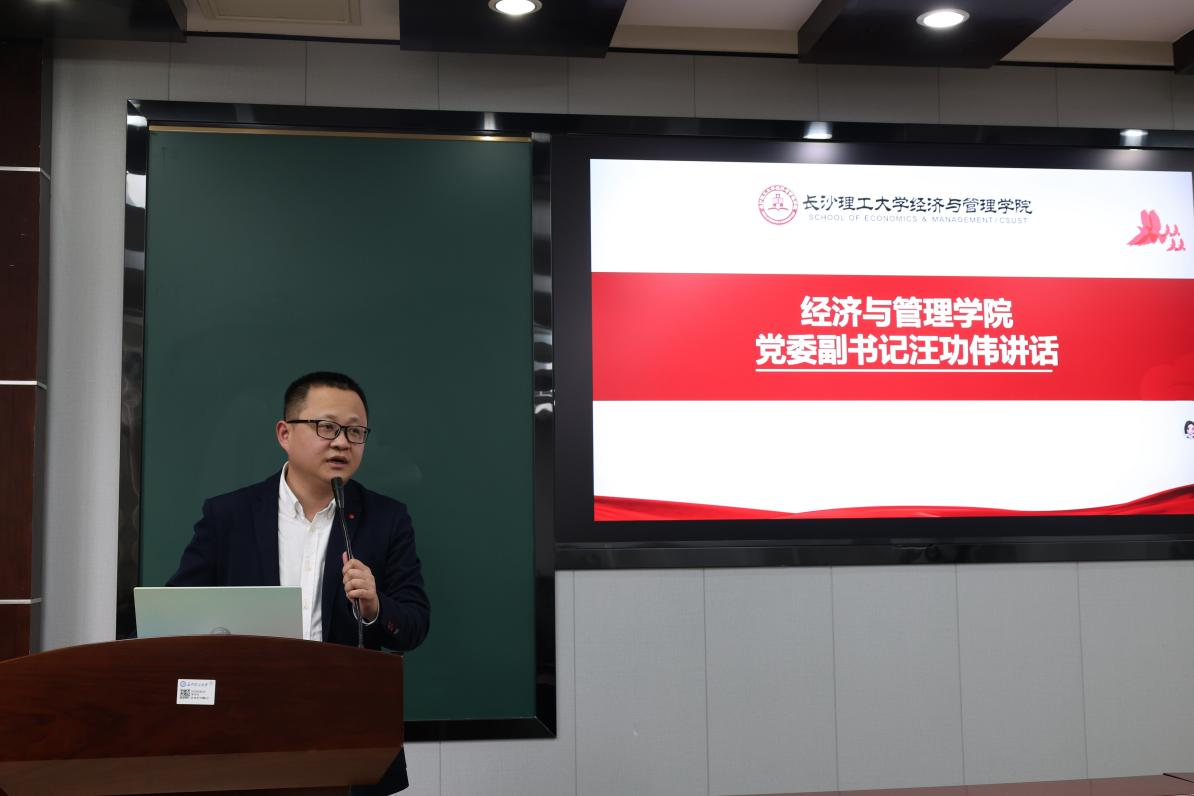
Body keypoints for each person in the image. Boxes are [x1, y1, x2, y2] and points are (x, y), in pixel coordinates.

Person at [168, 371, 430, 794]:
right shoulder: (229, 516)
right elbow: (176, 614)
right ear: (284, 434)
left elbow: (414, 624)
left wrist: (375, 606)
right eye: (326, 427)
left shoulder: (386, 518)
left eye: (355, 431)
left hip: (346, 739)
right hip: (243, 731)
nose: (342, 442)